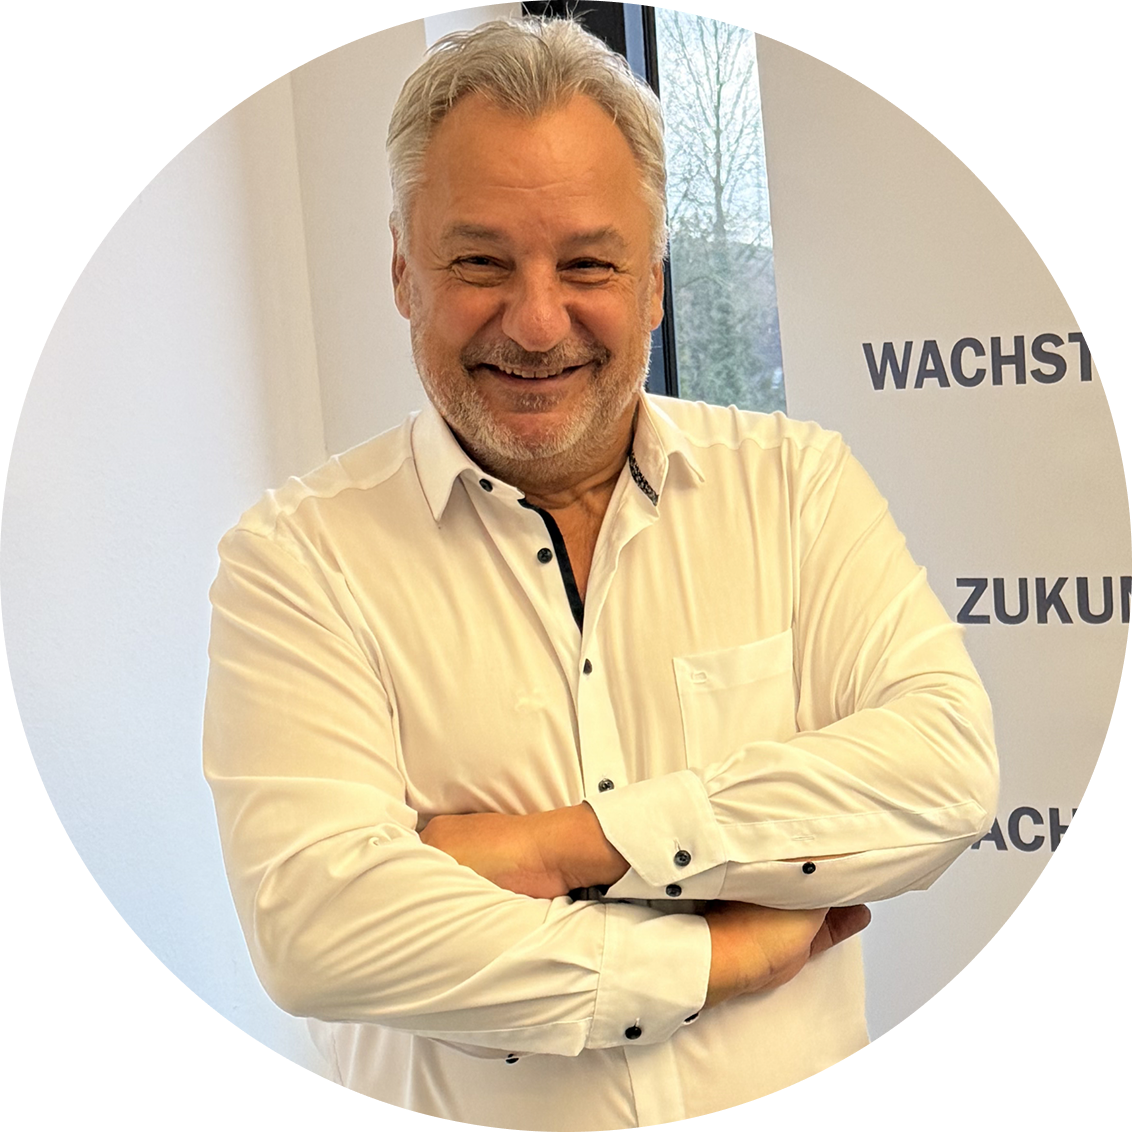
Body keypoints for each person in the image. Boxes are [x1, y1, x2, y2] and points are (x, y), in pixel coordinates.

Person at [204, 17, 998, 1126]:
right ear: (401, 272)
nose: (537, 324)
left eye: (588, 263)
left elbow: (944, 773)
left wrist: (557, 845)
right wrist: (711, 960)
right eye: (479, 262)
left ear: (654, 285)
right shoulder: (295, 562)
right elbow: (319, 933)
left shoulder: (796, 486)